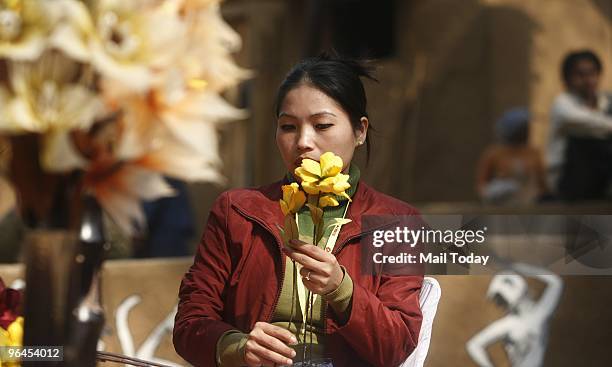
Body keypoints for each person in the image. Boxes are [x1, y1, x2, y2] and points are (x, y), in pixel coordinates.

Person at [173, 53, 423, 367]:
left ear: (360, 131)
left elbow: (396, 346)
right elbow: (190, 322)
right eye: (288, 127)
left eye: (322, 125)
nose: (303, 141)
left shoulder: (397, 223)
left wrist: (341, 289)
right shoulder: (236, 211)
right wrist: (238, 346)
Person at [466, 263, 563, 367]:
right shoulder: (515, 322)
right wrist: (522, 268)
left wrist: (520, 267)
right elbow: (473, 345)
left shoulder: (540, 312)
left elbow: (556, 283)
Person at [547, 50, 612, 200]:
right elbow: (590, 124)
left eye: (592, 73)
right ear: (567, 79)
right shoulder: (562, 104)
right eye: (580, 75)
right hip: (569, 179)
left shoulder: (606, 101)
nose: (588, 80)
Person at [476, 108, 548, 205]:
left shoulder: (533, 153)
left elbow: (542, 184)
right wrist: (493, 193)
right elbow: (481, 185)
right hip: (501, 208)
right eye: (523, 128)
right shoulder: (494, 154)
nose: (527, 131)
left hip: (528, 206)